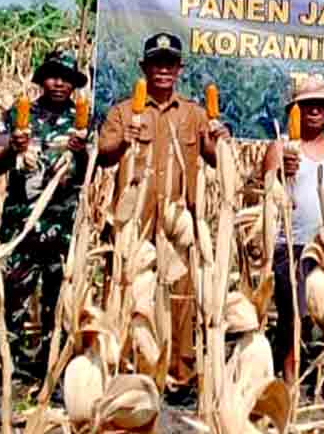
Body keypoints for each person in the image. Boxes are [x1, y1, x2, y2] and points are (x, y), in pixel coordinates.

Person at [97, 31, 229, 384]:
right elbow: (102, 155)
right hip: (133, 220)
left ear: (179, 69)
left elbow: (216, 161)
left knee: (180, 295)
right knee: (128, 289)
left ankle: (179, 371)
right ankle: (126, 366)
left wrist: (221, 141)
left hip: (177, 222)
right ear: (144, 67)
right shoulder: (124, 112)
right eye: (156, 64)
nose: (163, 71)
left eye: (169, 64)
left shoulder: (194, 114)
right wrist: (123, 140)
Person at [0, 50, 89, 377]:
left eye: (67, 78)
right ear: (42, 78)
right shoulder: (20, 113)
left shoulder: (83, 119)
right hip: (21, 229)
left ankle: (54, 377)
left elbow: (90, 173)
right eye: (53, 75)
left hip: (64, 230)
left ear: (74, 84)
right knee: (9, 306)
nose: (59, 83)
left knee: (58, 308)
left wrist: (82, 152)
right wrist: (13, 148)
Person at [261, 76, 324, 383]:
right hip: (293, 243)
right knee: (292, 316)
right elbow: (260, 193)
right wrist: (279, 174)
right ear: (295, 110)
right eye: (307, 105)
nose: (314, 111)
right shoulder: (280, 147)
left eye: (321, 106)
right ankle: (289, 375)